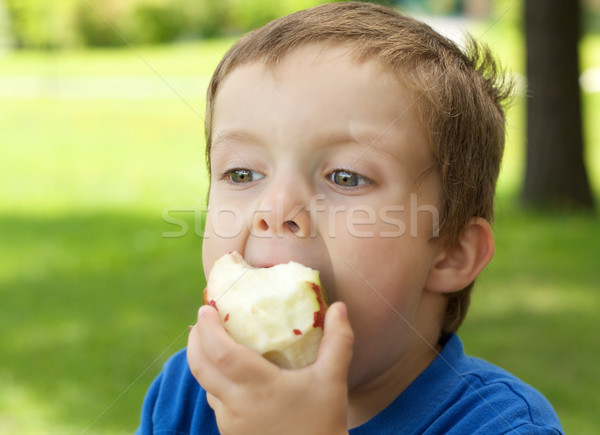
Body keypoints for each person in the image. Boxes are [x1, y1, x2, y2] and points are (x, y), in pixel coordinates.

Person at [136, 2, 563, 433]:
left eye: (345, 177)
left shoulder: (499, 425)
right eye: (242, 173)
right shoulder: (190, 390)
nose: (276, 208)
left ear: (450, 252)